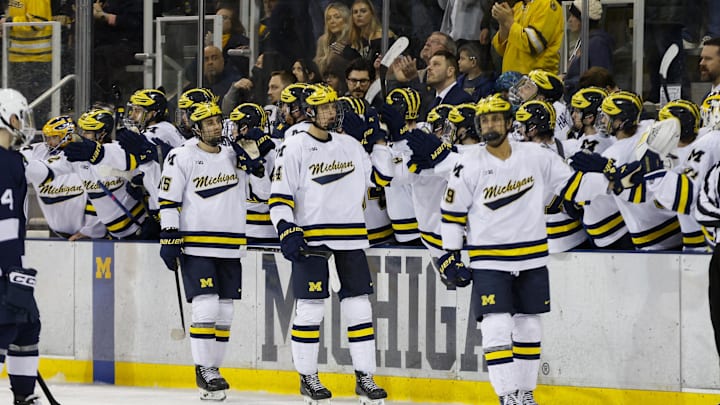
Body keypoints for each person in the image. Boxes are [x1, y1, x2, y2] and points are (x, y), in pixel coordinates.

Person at [439, 93, 574, 404]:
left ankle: (525, 393)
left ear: (509, 122)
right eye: (485, 120)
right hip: (489, 259)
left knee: (528, 327)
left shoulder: (536, 155)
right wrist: (450, 254)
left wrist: (609, 183)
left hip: (532, 256)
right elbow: (452, 214)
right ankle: (507, 395)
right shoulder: (467, 163)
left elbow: (571, 185)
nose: (490, 124)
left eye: (496, 118)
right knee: (496, 326)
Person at [268, 83, 387, 404]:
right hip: (311, 236)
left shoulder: (350, 144)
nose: (332, 113)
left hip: (349, 235)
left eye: (334, 107)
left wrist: (378, 140)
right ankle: (308, 376)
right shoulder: (293, 147)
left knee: (359, 307)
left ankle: (365, 376)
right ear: (309, 112)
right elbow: (279, 196)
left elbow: (380, 178)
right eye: (324, 108)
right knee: (310, 309)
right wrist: (286, 228)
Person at [158, 101, 268, 401]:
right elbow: (168, 199)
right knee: (205, 306)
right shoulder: (181, 155)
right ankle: (204, 369)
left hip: (232, 243)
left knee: (225, 311)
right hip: (196, 244)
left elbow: (265, 195)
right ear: (196, 127)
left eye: (217, 121)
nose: (215, 126)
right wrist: (169, 234)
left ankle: (213, 371)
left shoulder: (235, 153)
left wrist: (256, 164)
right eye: (208, 123)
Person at [0, 88, 42, 405]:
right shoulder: (7, 163)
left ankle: (24, 396)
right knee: (6, 327)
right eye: (19, 116)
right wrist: (12, 268)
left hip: (9, 262)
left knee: (27, 326)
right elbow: (5, 222)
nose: (23, 123)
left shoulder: (13, 160)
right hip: (4, 265)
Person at [21, 115, 106, 240]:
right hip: (55, 232)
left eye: (54, 137)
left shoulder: (86, 156)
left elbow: (100, 197)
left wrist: (91, 231)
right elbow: (15, 161)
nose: (49, 142)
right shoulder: (38, 151)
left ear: (67, 136)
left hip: (89, 236)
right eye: (47, 137)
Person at [2, 1, 52, 124]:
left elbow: (38, 23)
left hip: (37, 61)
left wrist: (9, 22)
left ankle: (36, 137)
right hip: (17, 59)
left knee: (36, 105)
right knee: (18, 104)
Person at [491, 0, 564, 74]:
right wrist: (502, 22)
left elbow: (535, 44)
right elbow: (500, 49)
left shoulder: (549, 5)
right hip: (511, 78)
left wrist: (508, 21)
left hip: (536, 79)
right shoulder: (518, 7)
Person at [91, 0, 143, 103]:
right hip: (102, 44)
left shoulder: (134, 3)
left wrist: (103, 16)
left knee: (100, 55)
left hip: (128, 44)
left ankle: (105, 99)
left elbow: (133, 22)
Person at [564, 0, 614, 98]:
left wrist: (570, 83)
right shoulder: (585, 40)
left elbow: (599, 79)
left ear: (584, 20)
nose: (570, 20)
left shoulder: (597, 43)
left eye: (574, 16)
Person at [314, 2, 360, 75]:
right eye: (329, 18)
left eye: (337, 17)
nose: (332, 21)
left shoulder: (354, 37)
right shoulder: (322, 40)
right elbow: (316, 67)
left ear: (346, 19)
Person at [210, 2, 250, 78]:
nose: (219, 21)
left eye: (224, 18)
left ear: (232, 22)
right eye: (217, 18)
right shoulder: (209, 42)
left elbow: (236, 71)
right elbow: (191, 72)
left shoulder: (241, 42)